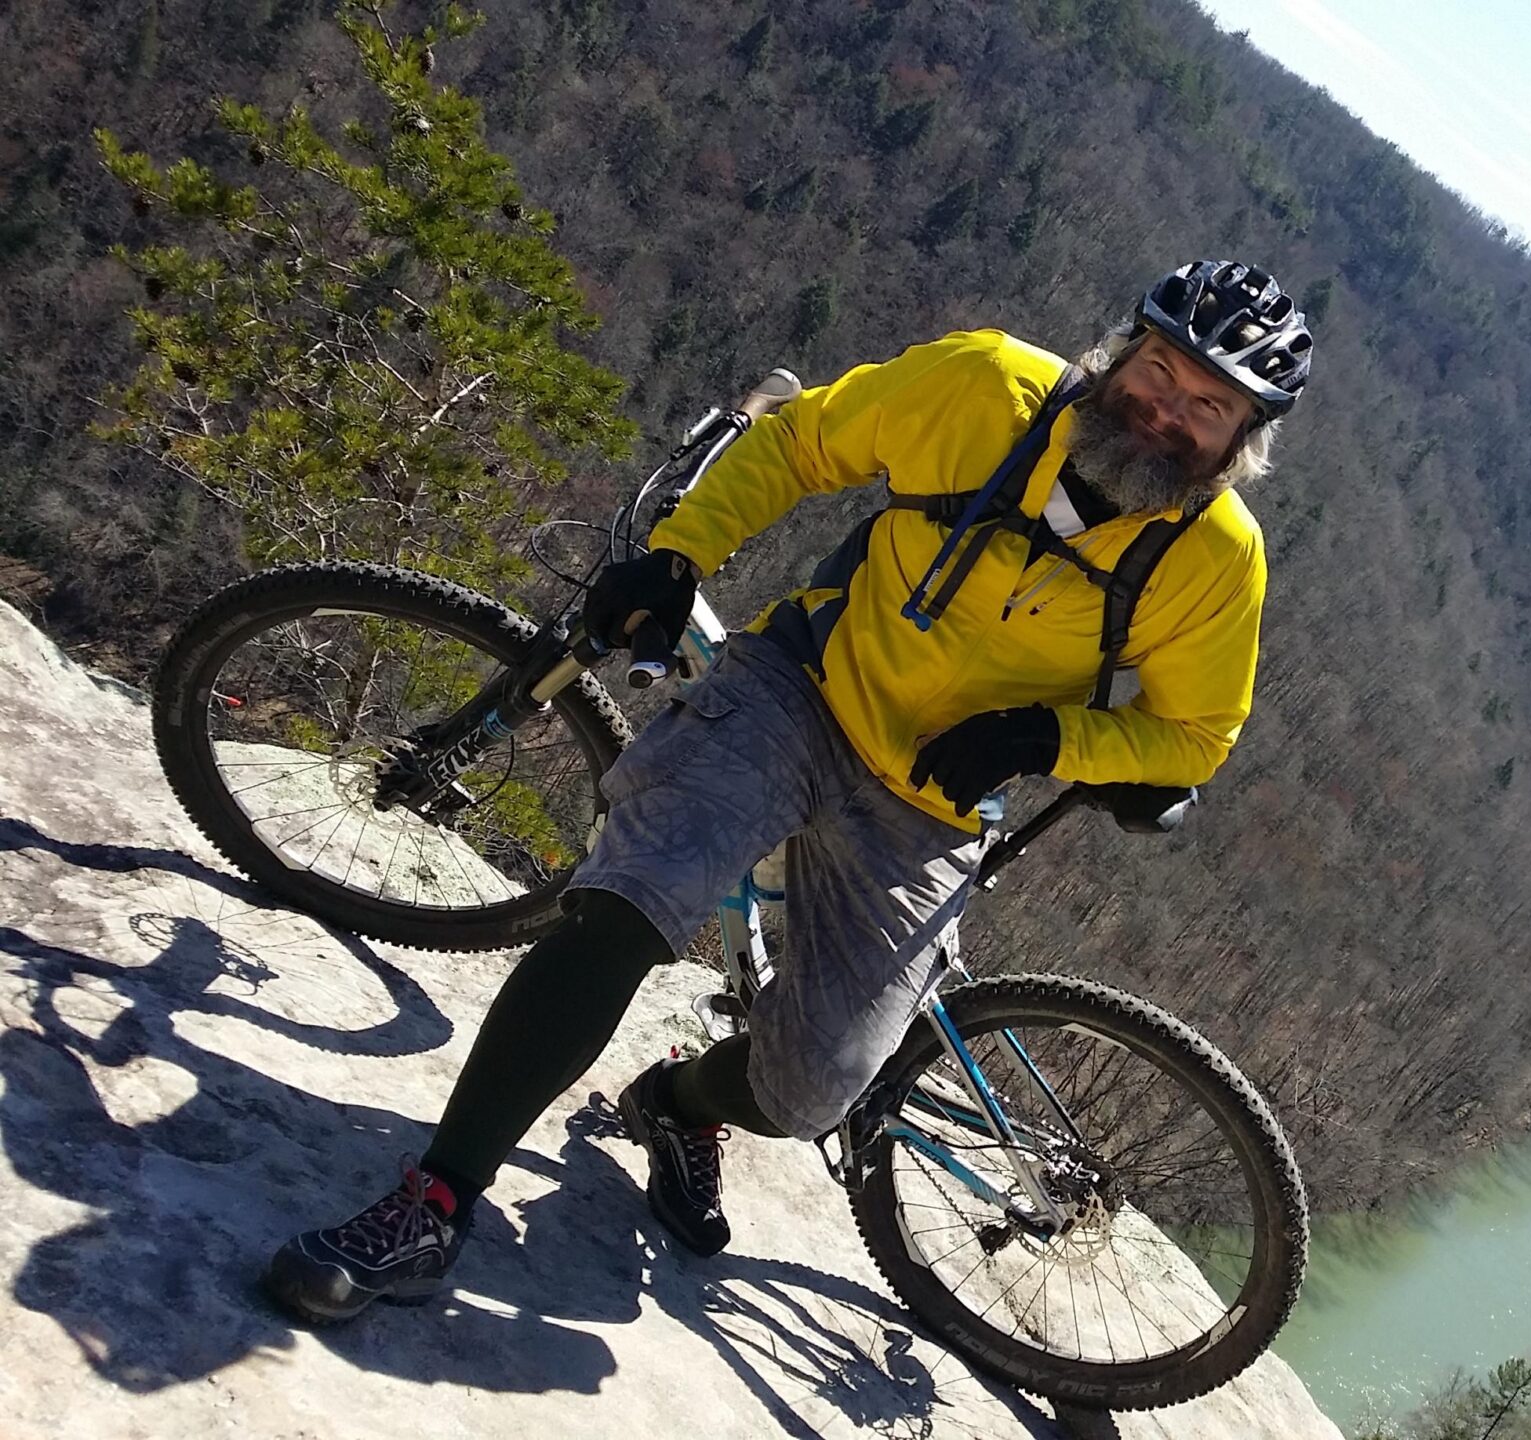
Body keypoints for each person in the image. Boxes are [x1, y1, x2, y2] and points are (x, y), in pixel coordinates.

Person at [264, 260, 1315, 1322]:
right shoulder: (982, 389)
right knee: (628, 902)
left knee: (814, 1086)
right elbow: (800, 443)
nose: (1163, 411)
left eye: (1206, 405)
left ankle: (675, 1104)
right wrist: (678, 558)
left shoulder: (1216, 561)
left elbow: (1193, 737)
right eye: (1157, 370)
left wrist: (1047, 735)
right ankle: (435, 1201)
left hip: (932, 802)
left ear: (1241, 444)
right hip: (804, 690)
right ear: (1119, 350)